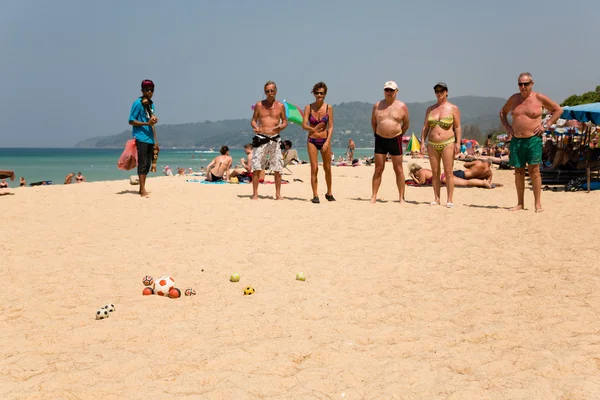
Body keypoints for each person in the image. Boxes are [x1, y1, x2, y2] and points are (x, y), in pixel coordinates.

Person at [500, 72, 563, 212]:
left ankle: (538, 203)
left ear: (531, 84)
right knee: (518, 171)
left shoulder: (539, 98)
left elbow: (558, 110)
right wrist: (507, 127)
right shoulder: (514, 99)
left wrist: (545, 125)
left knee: (534, 171)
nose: (523, 87)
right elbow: (502, 112)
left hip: (533, 139)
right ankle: (520, 203)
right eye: (520, 84)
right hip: (517, 139)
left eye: (526, 84)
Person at [420, 82, 462, 208]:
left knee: (448, 172)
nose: (439, 93)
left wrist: (458, 143)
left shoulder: (453, 108)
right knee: (435, 172)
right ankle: (437, 198)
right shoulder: (430, 109)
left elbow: (458, 127)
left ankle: (449, 199)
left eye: (441, 91)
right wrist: (422, 142)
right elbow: (425, 127)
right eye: (437, 91)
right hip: (432, 143)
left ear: (446, 92)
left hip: (448, 142)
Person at [370, 81, 410, 204]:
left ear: (396, 91)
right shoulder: (377, 105)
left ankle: (401, 197)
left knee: (398, 169)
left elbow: (406, 123)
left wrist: (399, 135)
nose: (389, 92)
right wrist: (377, 133)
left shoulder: (402, 106)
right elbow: (373, 122)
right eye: (386, 90)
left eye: (391, 90)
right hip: (380, 139)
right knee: (378, 169)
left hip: (395, 139)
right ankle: (374, 195)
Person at [250, 81, 288, 200]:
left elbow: (285, 121)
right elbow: (253, 120)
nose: (270, 93)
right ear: (265, 92)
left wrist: (280, 127)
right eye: (267, 91)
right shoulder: (259, 105)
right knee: (257, 167)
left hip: (275, 138)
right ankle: (255, 193)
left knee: (277, 167)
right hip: (261, 137)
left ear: (276, 91)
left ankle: (278, 194)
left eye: (272, 90)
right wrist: (255, 127)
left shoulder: (280, 106)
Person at [302, 82, 335, 203]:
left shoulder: (328, 108)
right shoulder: (308, 108)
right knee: (314, 168)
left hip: (325, 140)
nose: (319, 95)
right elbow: (304, 125)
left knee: (327, 167)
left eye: (321, 93)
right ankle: (315, 195)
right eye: (317, 93)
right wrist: (313, 129)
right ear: (313, 93)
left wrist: (327, 142)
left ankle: (329, 192)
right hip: (312, 140)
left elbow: (331, 126)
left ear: (325, 94)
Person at [128, 79, 158, 197]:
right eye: (147, 90)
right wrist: (146, 124)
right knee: (143, 163)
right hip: (141, 137)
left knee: (148, 164)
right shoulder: (137, 103)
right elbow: (131, 120)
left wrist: (154, 121)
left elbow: (151, 121)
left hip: (150, 137)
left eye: (151, 90)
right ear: (142, 90)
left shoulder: (151, 104)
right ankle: (142, 189)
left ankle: (142, 188)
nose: (149, 92)